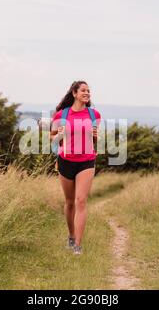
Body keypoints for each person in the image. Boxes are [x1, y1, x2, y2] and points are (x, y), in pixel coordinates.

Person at [50, 81, 101, 255]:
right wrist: (59, 135)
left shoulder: (94, 115)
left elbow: (94, 139)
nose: (87, 93)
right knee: (70, 202)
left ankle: (78, 246)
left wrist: (96, 136)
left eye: (89, 91)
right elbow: (52, 138)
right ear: (74, 93)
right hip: (65, 161)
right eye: (83, 90)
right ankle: (71, 236)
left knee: (81, 201)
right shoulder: (61, 115)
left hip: (86, 161)